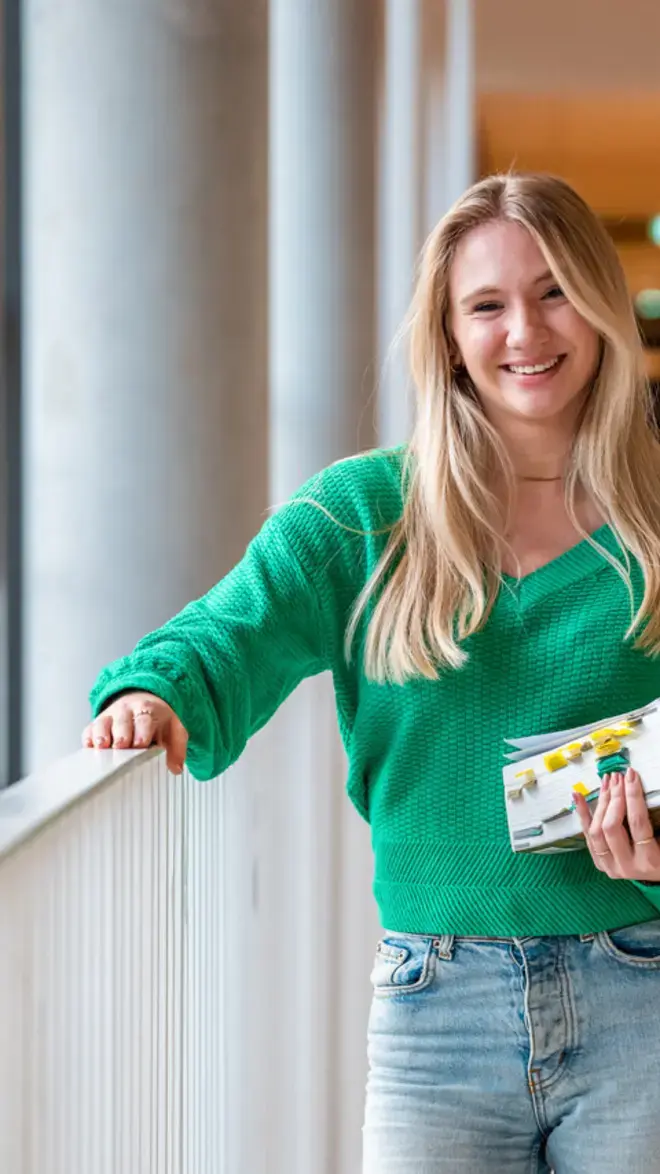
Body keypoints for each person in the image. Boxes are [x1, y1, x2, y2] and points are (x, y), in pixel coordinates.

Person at [84, 173, 660, 1173]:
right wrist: (153, 695)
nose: (526, 328)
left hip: (641, 988)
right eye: (487, 304)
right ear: (446, 333)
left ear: (603, 304)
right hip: (437, 1012)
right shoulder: (364, 514)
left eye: (556, 287)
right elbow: (223, 634)